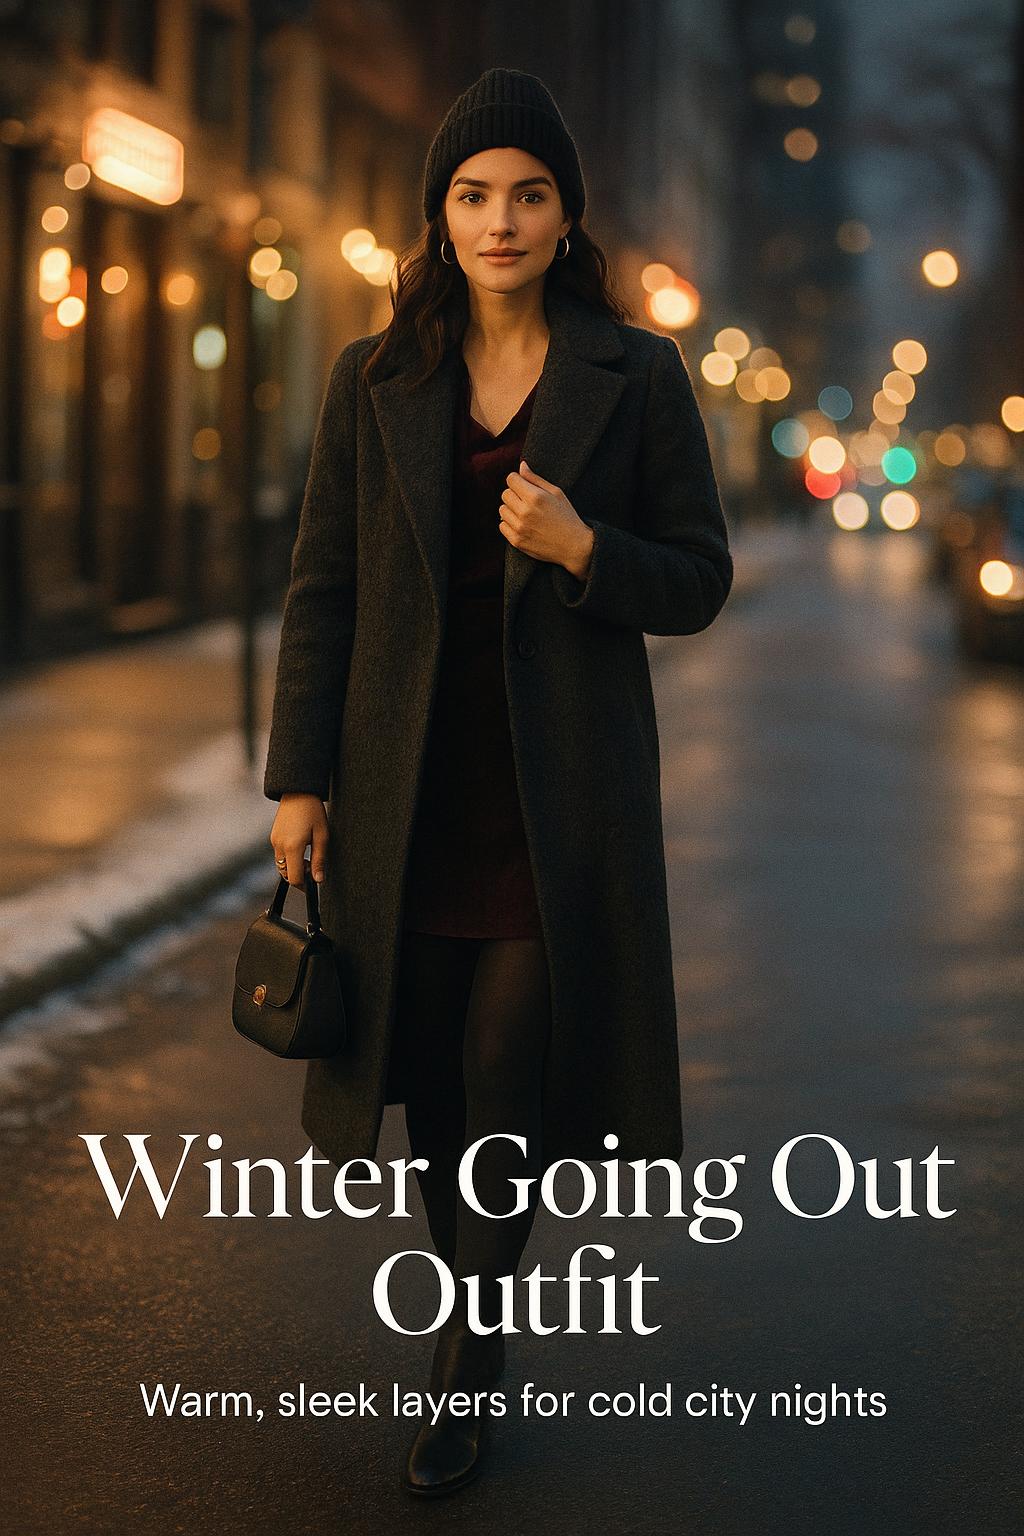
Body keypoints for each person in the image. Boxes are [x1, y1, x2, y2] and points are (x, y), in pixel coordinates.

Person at [264, 67, 733, 1497]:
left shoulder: (636, 374)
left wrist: (589, 549)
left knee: (502, 1072)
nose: (502, 220)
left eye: (529, 194)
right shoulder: (375, 377)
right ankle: (471, 1308)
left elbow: (700, 578)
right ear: (441, 216)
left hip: (557, 796)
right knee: (427, 1082)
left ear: (566, 214)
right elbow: (324, 589)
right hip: (406, 786)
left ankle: (469, 1350)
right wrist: (299, 778)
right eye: (474, 196)